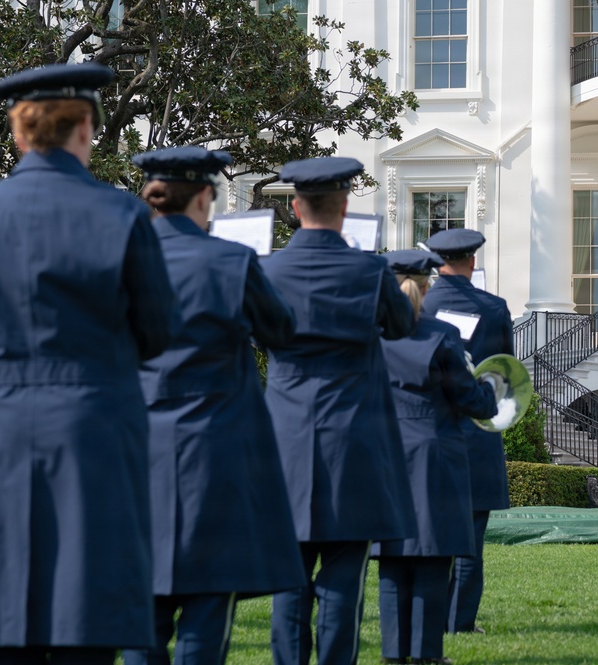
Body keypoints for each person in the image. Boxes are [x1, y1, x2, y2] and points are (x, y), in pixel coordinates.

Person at [0, 63, 176, 663]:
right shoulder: (121, 214)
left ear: (18, 132)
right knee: (87, 604)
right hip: (94, 422)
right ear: (86, 129)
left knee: (2, 600)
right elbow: (157, 331)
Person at [122, 147, 306, 665]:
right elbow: (281, 331)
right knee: (209, 599)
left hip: (136, 446)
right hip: (215, 445)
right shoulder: (231, 260)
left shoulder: (116, 260)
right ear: (205, 196)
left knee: (142, 606)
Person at [262, 156, 417, 665]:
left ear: (294, 207)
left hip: (285, 436)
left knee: (289, 581)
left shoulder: (266, 269)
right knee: (344, 581)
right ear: (345, 207)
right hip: (353, 436)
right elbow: (401, 327)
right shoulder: (369, 270)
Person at [374, 249, 499, 665]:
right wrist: (487, 388)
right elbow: (473, 400)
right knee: (432, 556)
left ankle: (394, 652)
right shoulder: (441, 335)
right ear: (426, 288)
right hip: (434, 452)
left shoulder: (372, 336)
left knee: (392, 560)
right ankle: (426, 654)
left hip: (387, 454)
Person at [421, 228, 515, 634]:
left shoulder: (422, 306)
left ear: (436, 262)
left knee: (427, 532)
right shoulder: (494, 308)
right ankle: (459, 621)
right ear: (472, 261)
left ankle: (426, 618)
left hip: (429, 429)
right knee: (472, 539)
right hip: (476, 430)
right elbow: (505, 370)